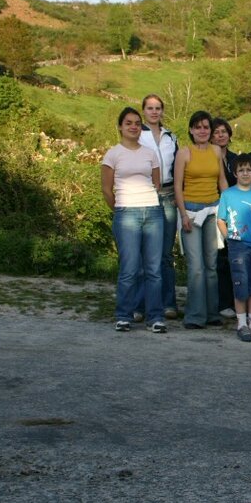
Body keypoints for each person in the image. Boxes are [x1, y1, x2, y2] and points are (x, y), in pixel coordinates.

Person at [101, 107, 166, 334]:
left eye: (137, 123)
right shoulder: (112, 154)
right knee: (129, 268)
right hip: (126, 212)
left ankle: (155, 317)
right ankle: (123, 315)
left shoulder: (150, 153)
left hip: (153, 213)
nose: (133, 126)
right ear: (120, 126)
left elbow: (156, 184)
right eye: (128, 123)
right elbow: (107, 190)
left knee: (154, 269)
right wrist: (121, 208)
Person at [173, 110, 228, 329]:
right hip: (192, 213)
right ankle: (195, 315)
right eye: (198, 127)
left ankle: (212, 313)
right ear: (191, 130)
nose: (202, 131)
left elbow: (222, 181)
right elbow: (178, 186)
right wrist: (184, 214)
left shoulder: (216, 151)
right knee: (196, 267)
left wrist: (228, 207)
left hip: (213, 211)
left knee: (212, 265)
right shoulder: (184, 153)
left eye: (206, 127)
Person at [217, 154, 251, 343]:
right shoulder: (228, 195)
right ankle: (241, 323)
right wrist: (229, 238)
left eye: (249, 170)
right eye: (241, 170)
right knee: (240, 283)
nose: (245, 173)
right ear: (235, 173)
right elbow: (221, 219)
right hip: (238, 246)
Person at [137, 94, 178, 320]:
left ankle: (168, 303)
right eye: (150, 108)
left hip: (169, 196)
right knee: (145, 253)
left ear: (162, 111)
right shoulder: (138, 135)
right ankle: (141, 305)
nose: (154, 112)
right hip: (146, 196)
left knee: (165, 253)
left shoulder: (171, 137)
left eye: (158, 108)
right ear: (143, 110)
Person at [211, 117, 238, 319]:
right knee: (217, 258)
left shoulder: (236, 159)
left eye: (224, 131)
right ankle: (218, 302)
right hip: (212, 210)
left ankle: (232, 300)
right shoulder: (207, 157)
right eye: (216, 132)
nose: (220, 135)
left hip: (234, 213)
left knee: (232, 257)